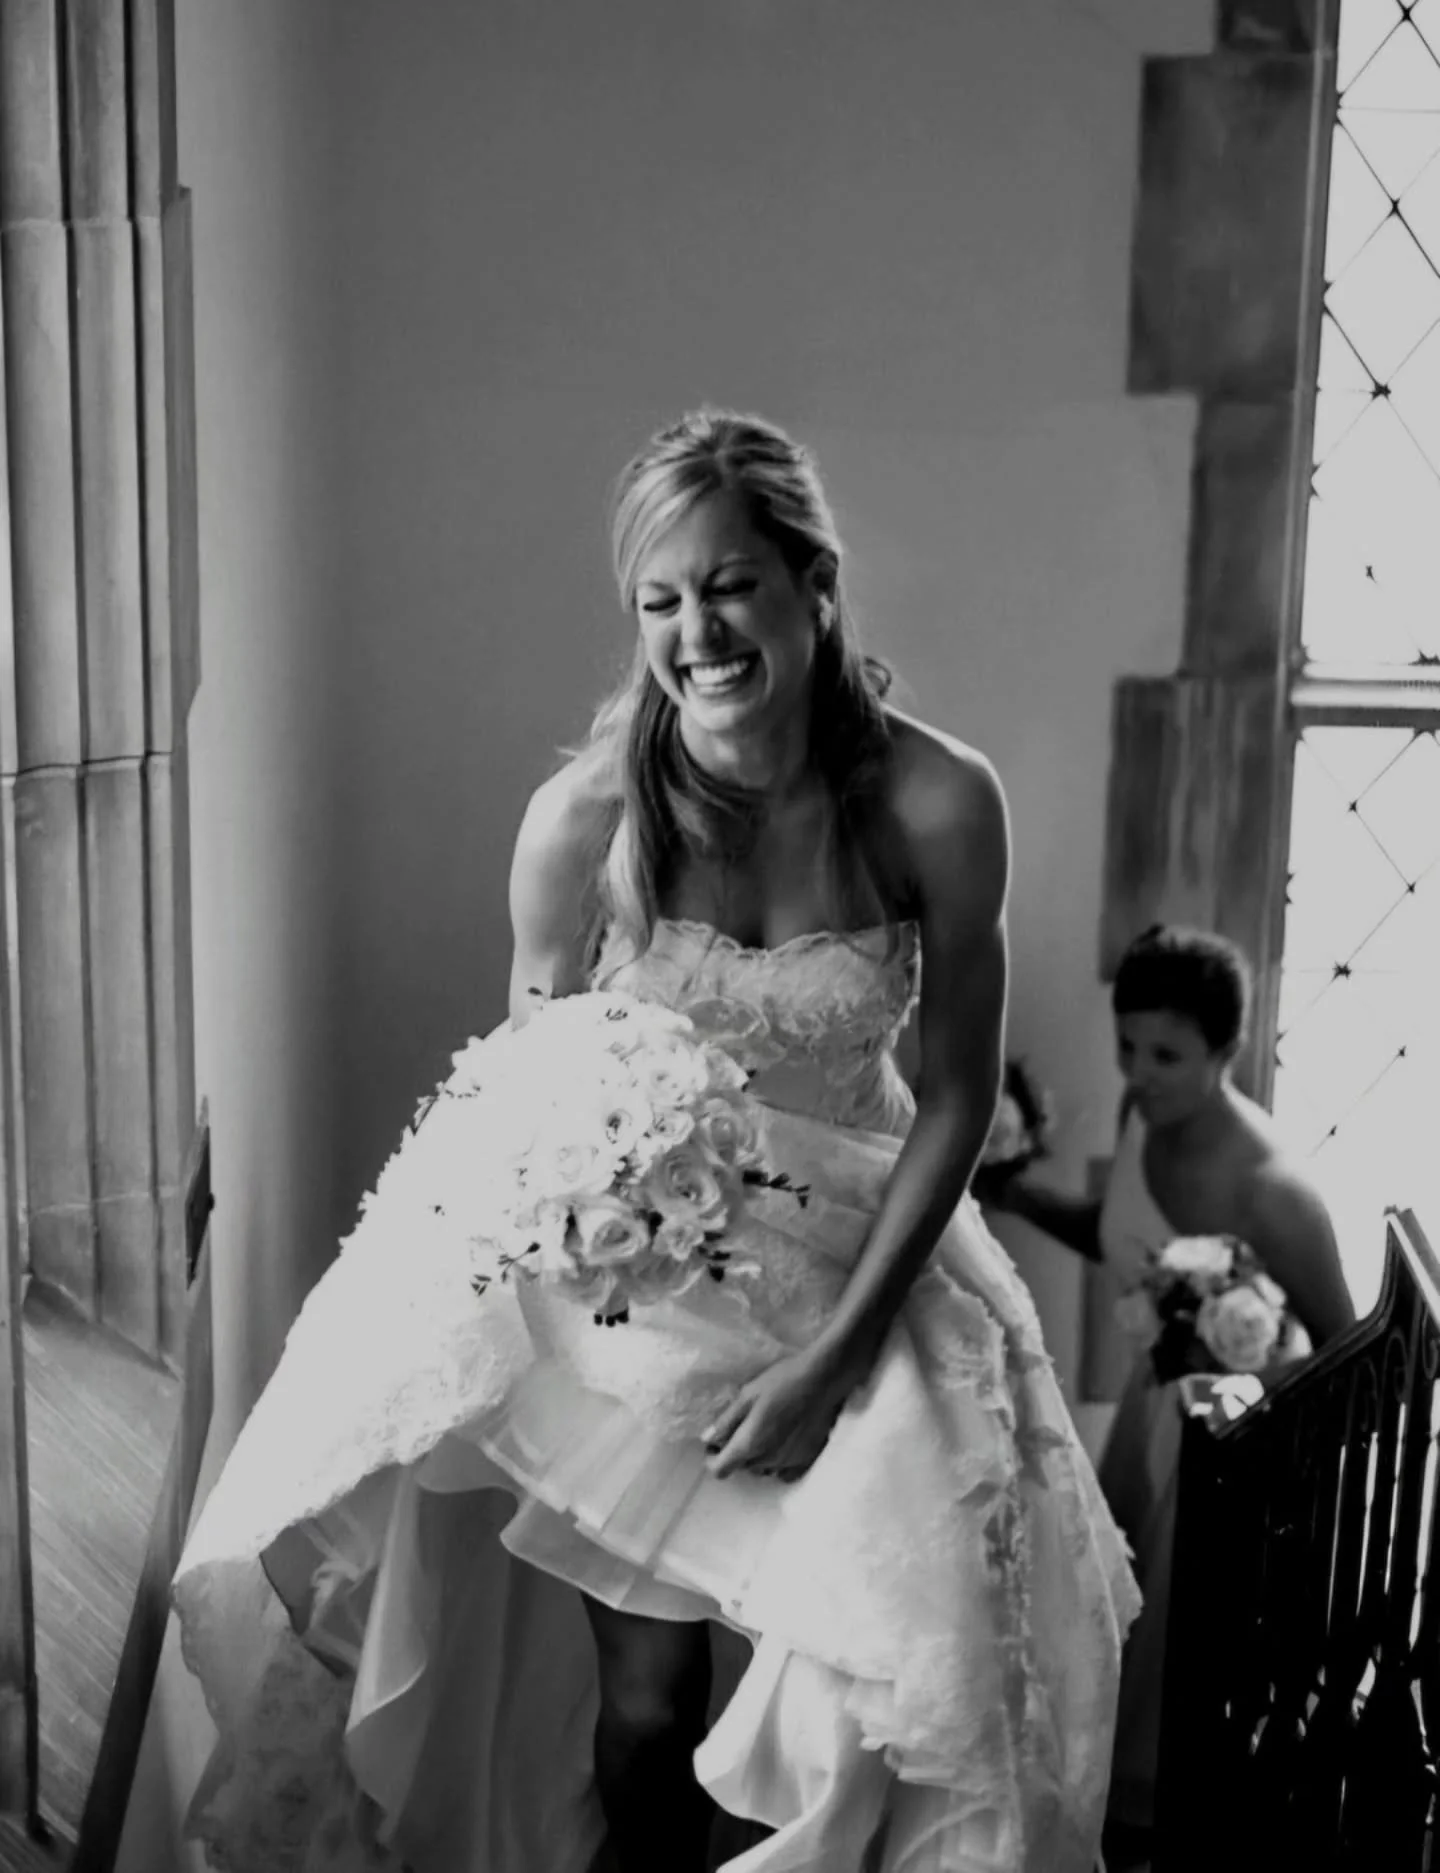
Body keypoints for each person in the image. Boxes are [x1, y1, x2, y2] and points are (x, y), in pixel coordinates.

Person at [172, 408, 1140, 1873]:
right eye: (661, 598)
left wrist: (829, 1364)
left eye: (732, 583)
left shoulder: (940, 802)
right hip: (650, 1294)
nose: (700, 631)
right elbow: (528, 1100)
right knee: (643, 1707)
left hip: (865, 1262)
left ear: (814, 583)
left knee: (881, 1674)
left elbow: (955, 1096)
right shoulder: (580, 823)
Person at [984, 922, 1355, 1867]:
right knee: (1105, 1618)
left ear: (1228, 1050)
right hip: (1150, 1424)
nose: (1138, 1073)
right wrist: (1016, 1196)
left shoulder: (1274, 1190)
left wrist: (1232, 1377)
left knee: (1170, 1657)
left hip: (1231, 1444)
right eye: (1127, 1046)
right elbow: (1121, 1237)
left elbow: (1350, 1354)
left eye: (1167, 1055)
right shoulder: (1138, 1118)